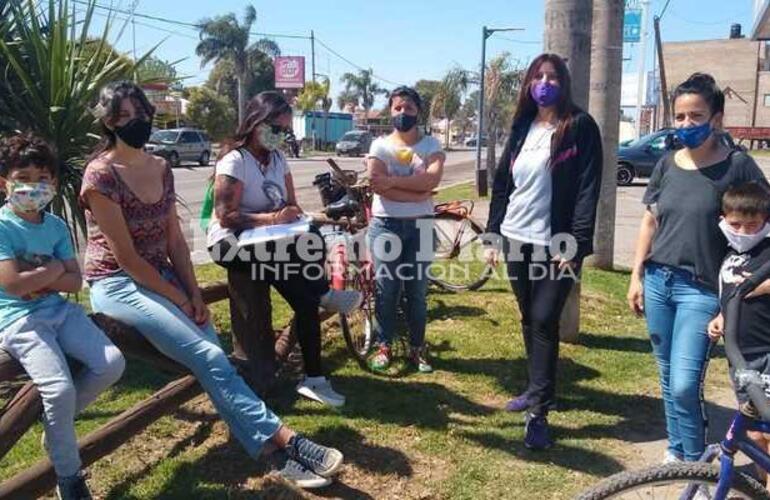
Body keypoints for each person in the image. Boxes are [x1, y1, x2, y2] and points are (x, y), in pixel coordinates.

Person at [80, 81, 344, 489]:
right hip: (117, 282)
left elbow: (175, 243)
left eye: (141, 114)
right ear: (109, 123)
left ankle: (274, 453)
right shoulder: (100, 175)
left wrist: (193, 293)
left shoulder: (160, 168)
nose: (137, 123)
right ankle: (286, 441)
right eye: (124, 117)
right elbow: (128, 259)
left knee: (212, 360)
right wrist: (179, 298)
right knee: (209, 356)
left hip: (163, 278)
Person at [627, 73, 769, 463]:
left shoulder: (738, 167)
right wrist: (637, 275)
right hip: (659, 282)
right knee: (667, 377)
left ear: (717, 118)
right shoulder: (666, 164)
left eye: (696, 116)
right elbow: (650, 221)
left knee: (686, 384)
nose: (687, 125)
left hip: (702, 290)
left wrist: (742, 289)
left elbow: (761, 226)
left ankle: (694, 466)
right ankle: (677, 451)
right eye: (681, 117)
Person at [206, 91, 360, 408]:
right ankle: (324, 293)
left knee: (307, 281)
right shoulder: (234, 160)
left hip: (270, 240)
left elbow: (292, 204)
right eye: (276, 129)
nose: (281, 136)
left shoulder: (278, 159)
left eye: (285, 131)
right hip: (231, 243)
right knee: (305, 280)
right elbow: (227, 216)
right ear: (256, 122)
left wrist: (293, 217)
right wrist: (274, 219)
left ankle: (315, 379)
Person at [484, 53, 603, 450]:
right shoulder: (522, 127)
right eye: (538, 76)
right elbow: (503, 184)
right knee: (528, 317)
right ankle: (536, 388)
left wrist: (577, 243)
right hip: (516, 235)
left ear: (563, 82)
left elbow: (588, 189)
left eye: (552, 76)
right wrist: (492, 234)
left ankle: (539, 410)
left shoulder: (580, 127)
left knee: (543, 317)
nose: (545, 82)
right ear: (529, 84)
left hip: (557, 245)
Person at [0, 133, 125, 499]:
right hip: (19, 321)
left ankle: (57, 429)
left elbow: (75, 279)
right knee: (58, 388)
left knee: (112, 363)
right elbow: (12, 286)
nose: (33, 187)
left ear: (53, 183)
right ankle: (70, 478)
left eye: (42, 179)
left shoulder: (55, 227)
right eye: (23, 178)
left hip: (60, 311)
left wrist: (40, 275)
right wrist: (53, 270)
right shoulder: (3, 226)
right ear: (4, 181)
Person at [366, 86, 445, 373]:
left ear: (418, 112)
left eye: (409, 108)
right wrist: (418, 193)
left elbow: (432, 181)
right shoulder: (380, 145)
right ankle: (384, 345)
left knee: (417, 292)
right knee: (386, 291)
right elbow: (376, 183)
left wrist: (394, 184)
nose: (403, 113)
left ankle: (417, 348)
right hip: (385, 225)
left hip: (421, 227)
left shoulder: (431, 146)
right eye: (398, 108)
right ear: (391, 110)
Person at [708, 182, 770, 487]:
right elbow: (729, 294)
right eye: (736, 225)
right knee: (756, 432)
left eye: (753, 225)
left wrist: (757, 287)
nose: (744, 232)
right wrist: (721, 316)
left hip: (766, 354)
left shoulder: (767, 252)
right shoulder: (731, 253)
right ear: (723, 219)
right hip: (740, 359)